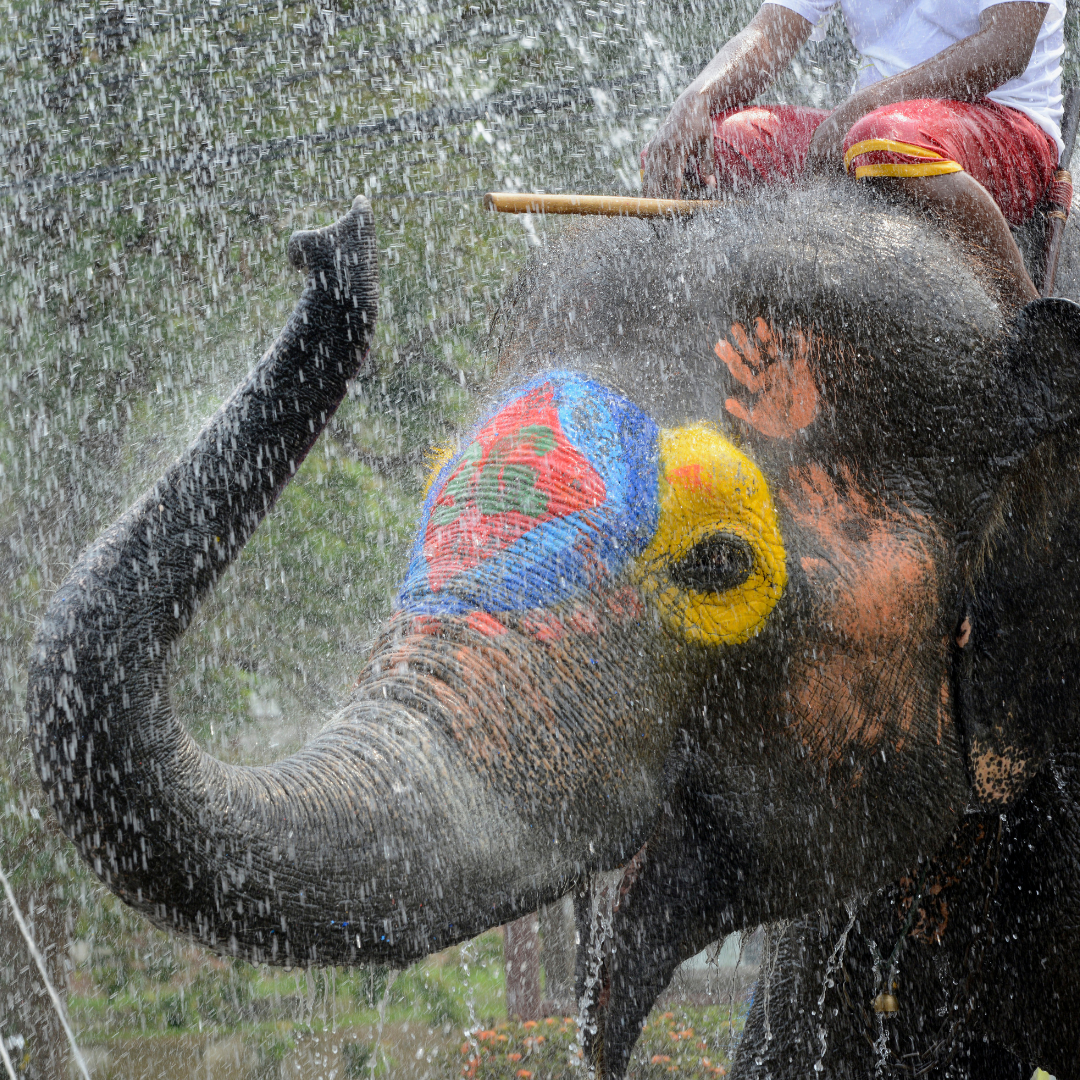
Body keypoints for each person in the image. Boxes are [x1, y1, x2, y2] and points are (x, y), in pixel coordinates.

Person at [641, 1, 1066, 305]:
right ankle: (694, 311)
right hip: (869, 132)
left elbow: (1006, 48)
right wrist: (694, 100)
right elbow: (769, 35)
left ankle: (1029, 325)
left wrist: (862, 109)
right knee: (707, 147)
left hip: (1002, 127)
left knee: (880, 136)